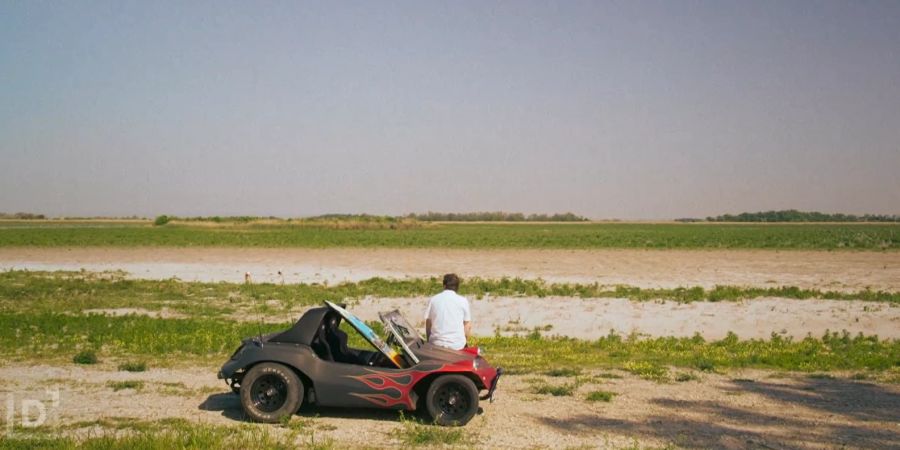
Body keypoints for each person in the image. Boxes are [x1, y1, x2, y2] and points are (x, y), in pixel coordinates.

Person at [424, 273, 471, 350]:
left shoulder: (434, 299)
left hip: (436, 344)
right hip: (457, 345)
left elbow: (428, 323)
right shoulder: (463, 301)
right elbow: (467, 326)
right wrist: (463, 340)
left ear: (444, 286)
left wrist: (429, 340)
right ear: (457, 287)